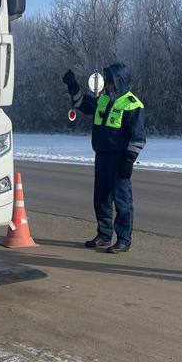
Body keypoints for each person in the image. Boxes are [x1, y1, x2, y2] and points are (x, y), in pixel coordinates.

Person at [62, 62, 146, 253]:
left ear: (119, 82)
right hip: (101, 157)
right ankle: (104, 234)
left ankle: (124, 239)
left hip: (119, 160)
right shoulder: (102, 100)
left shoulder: (133, 104)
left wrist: (129, 161)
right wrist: (72, 85)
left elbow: (139, 137)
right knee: (101, 198)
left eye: (110, 82)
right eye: (106, 81)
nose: (107, 85)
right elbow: (80, 103)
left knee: (122, 202)